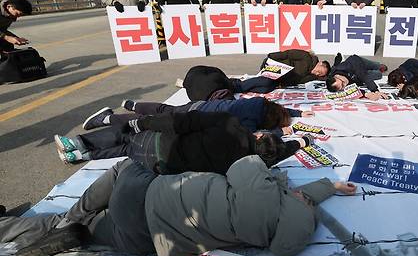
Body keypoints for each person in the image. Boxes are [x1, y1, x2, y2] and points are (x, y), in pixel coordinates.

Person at [1, 156, 357, 256]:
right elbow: (294, 217)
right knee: (84, 230)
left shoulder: (261, 190)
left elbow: (243, 164)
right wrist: (327, 188)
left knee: (124, 168)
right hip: (147, 241)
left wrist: (273, 174)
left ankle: (72, 217)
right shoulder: (275, 233)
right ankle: (77, 231)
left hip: (146, 195)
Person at [53, 111, 308, 174]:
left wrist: (146, 122)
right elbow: (279, 152)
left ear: (260, 135)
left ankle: (76, 142)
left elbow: (183, 121)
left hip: (161, 144)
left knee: (126, 134)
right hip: (161, 167)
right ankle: (82, 156)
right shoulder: (248, 166)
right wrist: (302, 142)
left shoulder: (230, 124)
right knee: (129, 149)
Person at [81, 96, 313, 137]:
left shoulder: (261, 103)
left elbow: (278, 107)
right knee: (156, 122)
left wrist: (298, 112)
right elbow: (254, 135)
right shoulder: (253, 122)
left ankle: (134, 104)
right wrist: (278, 131)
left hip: (202, 104)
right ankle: (109, 118)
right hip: (197, 116)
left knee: (165, 109)